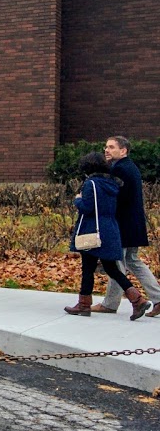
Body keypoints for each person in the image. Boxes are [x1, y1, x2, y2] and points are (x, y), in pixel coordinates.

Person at [64, 152, 150, 320]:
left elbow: (88, 208)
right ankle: (137, 299)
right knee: (112, 269)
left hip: (92, 230)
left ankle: (83, 305)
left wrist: (77, 199)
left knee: (87, 269)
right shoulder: (112, 183)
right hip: (110, 228)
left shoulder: (91, 184)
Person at [95, 136, 160, 318]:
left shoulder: (120, 169)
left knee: (117, 262)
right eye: (105, 146)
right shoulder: (129, 167)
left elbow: (116, 198)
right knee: (132, 260)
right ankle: (158, 298)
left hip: (122, 224)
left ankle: (110, 304)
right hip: (134, 224)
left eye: (111, 147)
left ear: (123, 151)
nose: (106, 150)